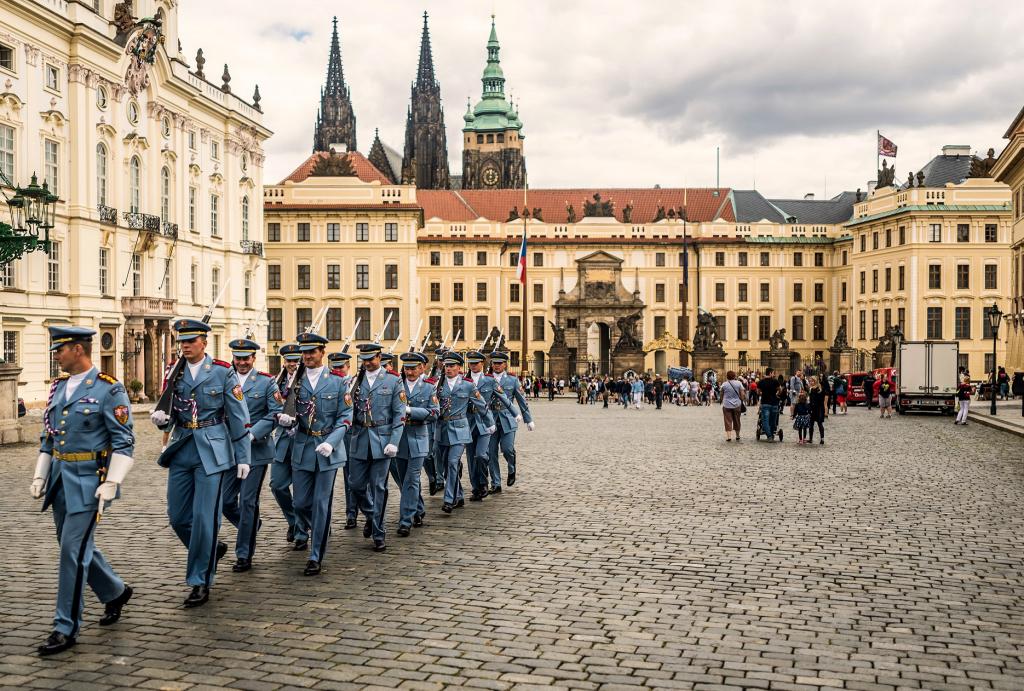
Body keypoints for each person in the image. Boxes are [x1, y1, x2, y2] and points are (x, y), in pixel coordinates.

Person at [31, 326, 136, 656]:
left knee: (71, 552)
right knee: (72, 545)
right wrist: (40, 476)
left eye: (60, 349)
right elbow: (49, 437)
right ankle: (114, 591)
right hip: (62, 478)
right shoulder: (58, 388)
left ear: (78, 349)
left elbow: (124, 441)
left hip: (91, 482)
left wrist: (113, 481)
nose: (56, 355)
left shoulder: (109, 390)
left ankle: (66, 626)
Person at [152, 319, 250, 608]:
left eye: (190, 341)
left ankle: (200, 580)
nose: (185, 346)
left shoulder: (221, 372)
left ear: (204, 343)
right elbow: (170, 409)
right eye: (182, 341)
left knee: (206, 519)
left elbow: (237, 414)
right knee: (179, 517)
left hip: (213, 449)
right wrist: (162, 422)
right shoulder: (174, 370)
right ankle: (212, 550)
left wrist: (243, 456)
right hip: (183, 447)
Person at [275, 332, 351, 574]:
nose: (307, 356)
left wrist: (332, 441)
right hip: (303, 446)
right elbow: (288, 410)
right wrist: (287, 421)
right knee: (300, 503)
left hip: (328, 447)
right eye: (304, 352)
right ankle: (318, 527)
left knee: (320, 503)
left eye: (312, 352)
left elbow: (345, 416)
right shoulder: (294, 382)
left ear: (322, 353)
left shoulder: (338, 382)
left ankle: (316, 554)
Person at [221, 338, 283, 573]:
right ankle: (251, 525)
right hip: (229, 450)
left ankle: (244, 553)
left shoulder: (267, 383)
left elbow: (275, 413)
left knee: (248, 501)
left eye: (246, 358)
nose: (242, 362)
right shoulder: (226, 379)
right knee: (226, 502)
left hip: (255, 451)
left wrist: (252, 434)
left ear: (253, 358)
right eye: (238, 358)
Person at [347, 342, 405, 553]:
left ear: (379, 357)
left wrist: (394, 441)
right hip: (359, 439)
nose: (368, 363)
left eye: (371, 358)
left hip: (382, 441)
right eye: (364, 359)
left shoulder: (392, 380)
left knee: (379, 487)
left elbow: (399, 415)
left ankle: (379, 534)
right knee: (355, 485)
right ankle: (372, 515)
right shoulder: (356, 381)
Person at [392, 352, 440, 536]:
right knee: (405, 481)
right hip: (400, 439)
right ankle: (418, 509)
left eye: (413, 368)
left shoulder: (429, 388)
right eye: (407, 368)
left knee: (412, 479)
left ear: (422, 368)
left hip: (419, 439)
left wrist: (411, 410)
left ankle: (405, 520)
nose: (410, 372)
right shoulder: (397, 385)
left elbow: (434, 412)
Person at [436, 351, 489, 513]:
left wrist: (490, 423)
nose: (449, 369)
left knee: (453, 462)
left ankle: (448, 499)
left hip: (460, 430)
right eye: (447, 366)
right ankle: (458, 496)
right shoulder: (437, 385)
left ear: (459, 367)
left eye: (452, 366)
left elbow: (482, 405)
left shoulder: (467, 384)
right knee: (446, 465)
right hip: (442, 430)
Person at [269, 344, 310, 549]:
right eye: (288, 361)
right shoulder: (276, 382)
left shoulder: (308, 380)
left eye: (295, 360)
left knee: (303, 492)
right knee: (277, 485)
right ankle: (294, 520)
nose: (292, 364)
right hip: (282, 441)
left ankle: (303, 531)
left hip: (303, 440)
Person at [487, 350, 534, 492]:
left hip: (508, 419)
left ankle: (511, 466)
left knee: (507, 449)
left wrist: (528, 419)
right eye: (494, 363)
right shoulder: (486, 379)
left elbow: (521, 401)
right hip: (491, 420)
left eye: (499, 363)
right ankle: (496, 483)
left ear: (505, 364)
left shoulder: (512, 380)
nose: (496, 366)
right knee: (491, 452)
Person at [462, 351, 504, 502]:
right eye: (471, 363)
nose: (473, 365)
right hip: (468, 422)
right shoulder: (463, 380)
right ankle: (475, 488)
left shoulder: (490, 380)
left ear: (482, 364)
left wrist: (518, 414)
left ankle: (483, 482)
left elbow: (503, 397)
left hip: (485, 423)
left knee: (480, 455)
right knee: (471, 458)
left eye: (476, 363)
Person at [757, 368, 782, 441]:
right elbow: (780, 390)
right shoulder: (775, 381)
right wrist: (776, 394)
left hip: (765, 403)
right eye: (773, 373)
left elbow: (758, 392)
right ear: (770, 373)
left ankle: (769, 436)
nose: (774, 374)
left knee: (765, 420)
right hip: (774, 403)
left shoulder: (761, 382)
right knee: (773, 421)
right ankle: (771, 434)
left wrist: (763, 393)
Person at [720, 370, 746, 442]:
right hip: (737, 404)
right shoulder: (739, 383)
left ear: (727, 376)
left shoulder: (724, 384)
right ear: (734, 376)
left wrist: (721, 400)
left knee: (727, 421)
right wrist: (742, 399)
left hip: (727, 405)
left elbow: (721, 394)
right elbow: (742, 394)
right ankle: (737, 435)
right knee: (737, 420)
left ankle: (729, 437)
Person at [806, 376, 827, 445]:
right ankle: (810, 438)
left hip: (818, 408)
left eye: (812, 381)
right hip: (813, 408)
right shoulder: (811, 389)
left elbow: (819, 400)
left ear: (815, 381)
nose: (811, 382)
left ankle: (822, 439)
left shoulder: (819, 389)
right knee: (811, 424)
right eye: (810, 381)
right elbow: (810, 400)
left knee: (819, 424)